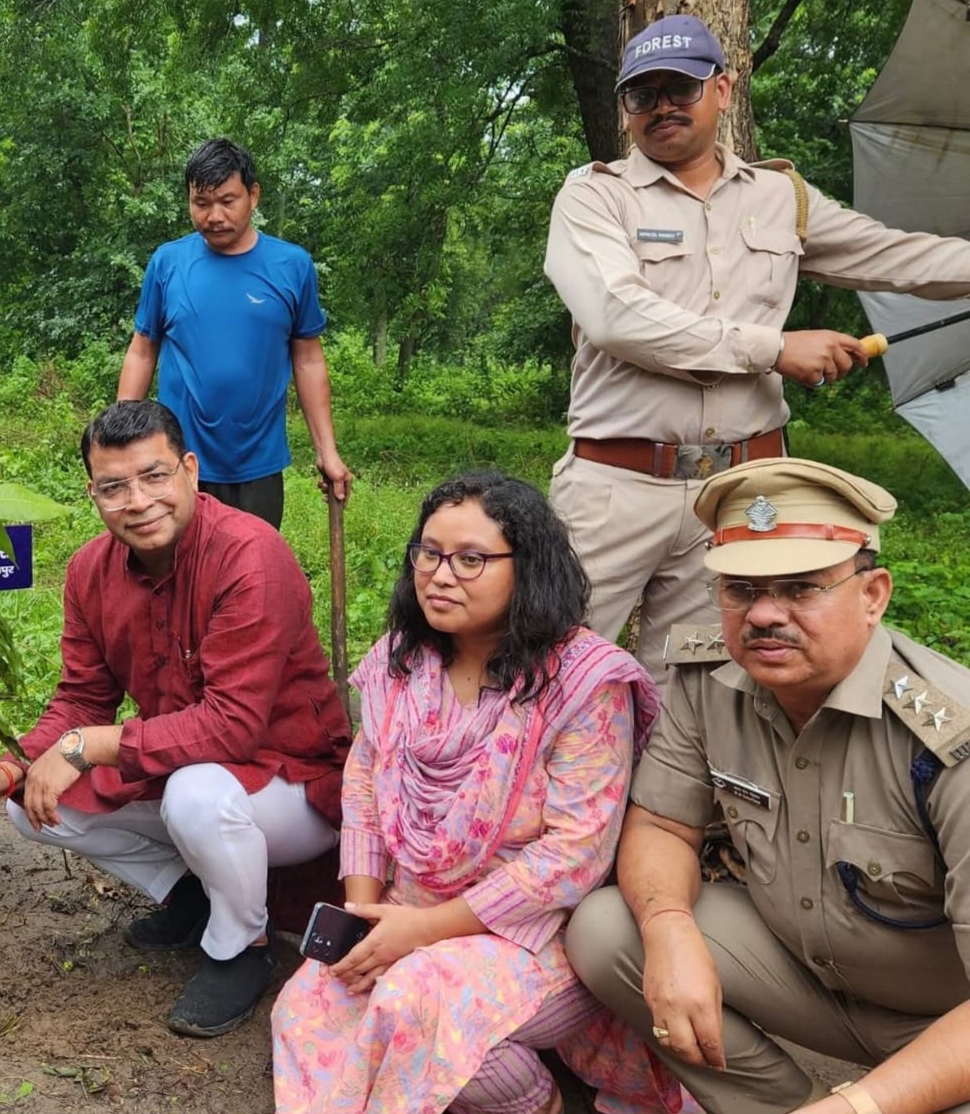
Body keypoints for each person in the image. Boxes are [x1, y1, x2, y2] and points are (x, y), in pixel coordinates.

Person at [542, 14, 970, 678]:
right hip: (615, 486)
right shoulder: (594, 196)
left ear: (723, 89)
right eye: (641, 94)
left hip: (740, 492)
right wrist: (774, 348)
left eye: (679, 89)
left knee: (699, 684)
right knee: (550, 668)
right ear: (624, 110)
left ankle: (660, 788)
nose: (661, 107)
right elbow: (616, 316)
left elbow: (897, 256)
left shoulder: (781, 198)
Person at [271, 472, 697, 1114]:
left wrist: (422, 933)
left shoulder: (584, 684)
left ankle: (536, 1103)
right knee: (307, 1006)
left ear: (527, 567)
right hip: (402, 908)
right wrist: (365, 914)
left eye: (472, 559)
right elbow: (362, 787)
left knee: (413, 1005)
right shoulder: (401, 660)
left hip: (537, 935)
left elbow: (575, 854)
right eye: (430, 553)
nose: (441, 575)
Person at [565, 458, 970, 1114]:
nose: (763, 616)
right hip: (802, 974)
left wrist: (860, 1107)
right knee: (609, 931)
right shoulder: (708, 681)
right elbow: (663, 823)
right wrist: (668, 931)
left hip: (943, 1021)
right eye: (741, 590)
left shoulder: (948, 735)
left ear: (874, 595)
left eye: (801, 588)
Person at [0, 399, 351, 1037]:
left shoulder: (249, 554)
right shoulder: (87, 571)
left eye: (154, 476)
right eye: (114, 487)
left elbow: (232, 727)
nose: (137, 501)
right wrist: (8, 769)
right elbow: (81, 697)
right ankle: (190, 893)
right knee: (33, 803)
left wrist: (89, 745)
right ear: (93, 494)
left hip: (293, 783)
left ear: (190, 470)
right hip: (188, 769)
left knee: (195, 795)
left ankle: (242, 946)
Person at [117, 137, 352, 529]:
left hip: (257, 466)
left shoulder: (292, 266)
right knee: (177, 578)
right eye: (201, 203)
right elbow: (143, 350)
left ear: (253, 196)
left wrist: (327, 451)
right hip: (175, 462)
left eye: (228, 201)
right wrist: (119, 440)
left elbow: (308, 359)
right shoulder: (168, 263)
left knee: (249, 576)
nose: (214, 216)